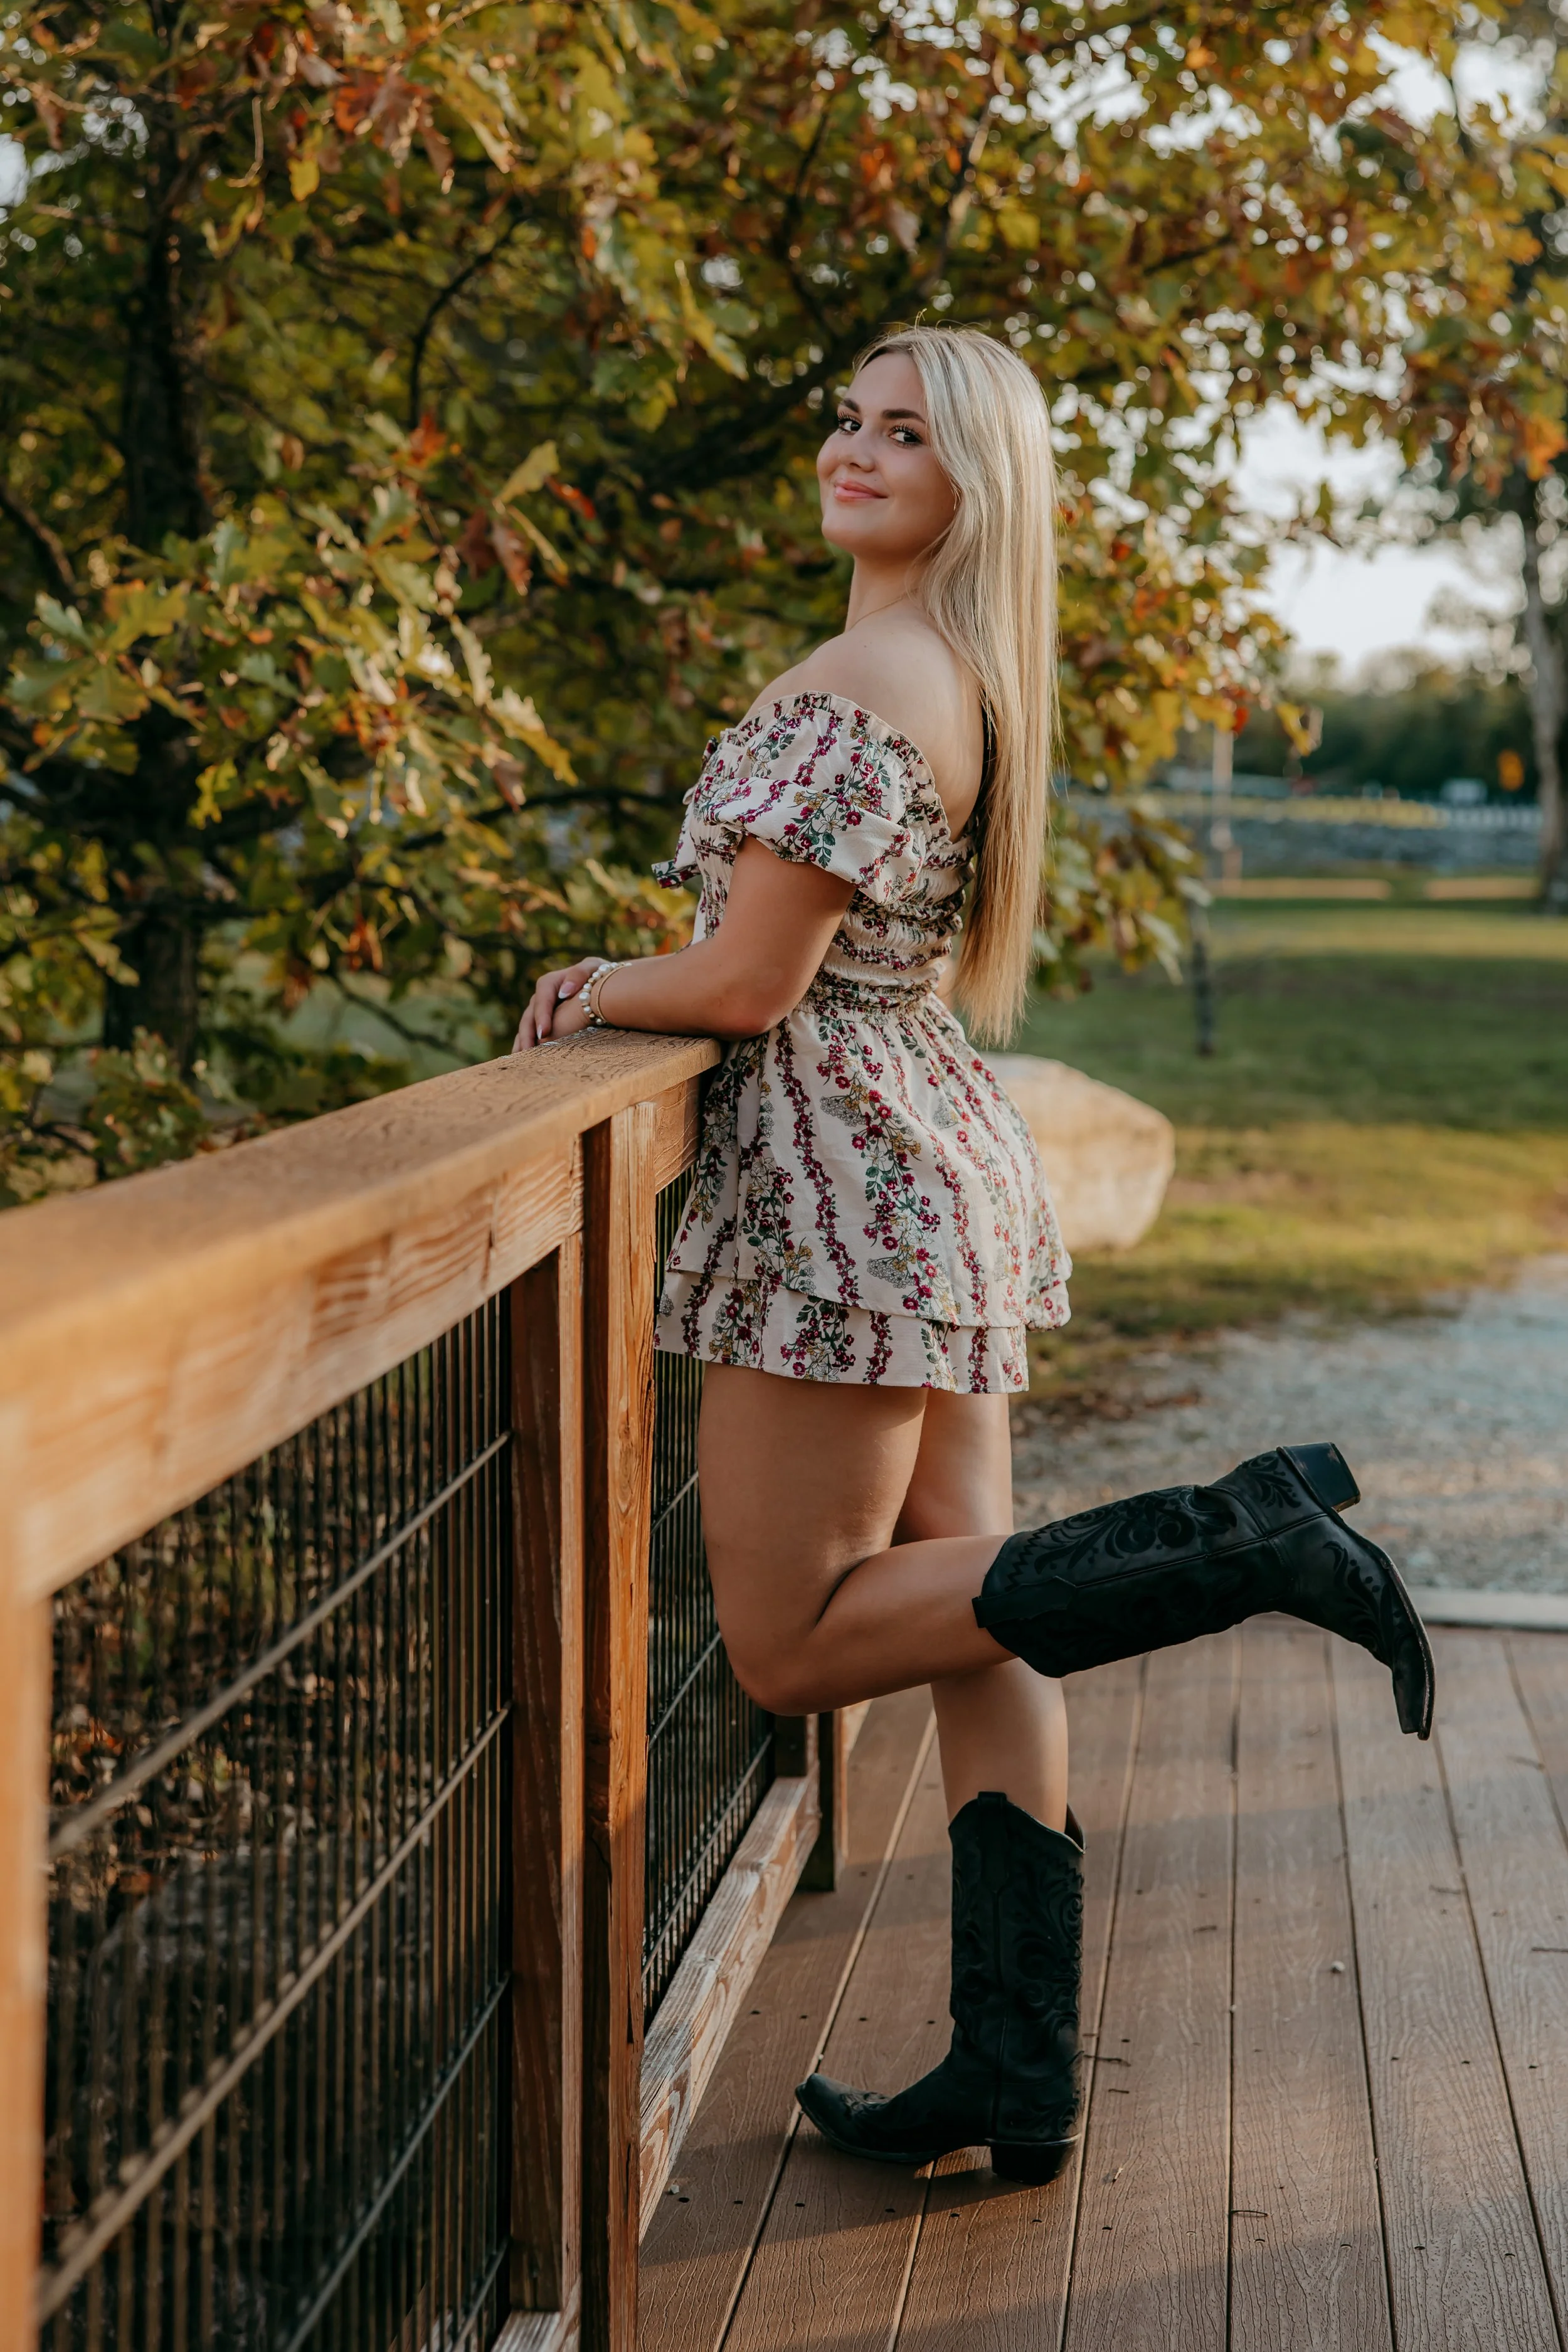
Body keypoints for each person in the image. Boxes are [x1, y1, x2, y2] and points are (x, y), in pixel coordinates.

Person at [512, 324, 1434, 2186]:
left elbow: (752, 979)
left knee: (785, 1646)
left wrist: (598, 983)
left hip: (843, 1184)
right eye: (845, 419)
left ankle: (1231, 1536)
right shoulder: (947, 664)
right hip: (922, 1151)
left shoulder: (869, 673)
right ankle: (1010, 2068)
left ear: (973, 482)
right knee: (974, 1594)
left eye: (903, 435)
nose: (853, 452)